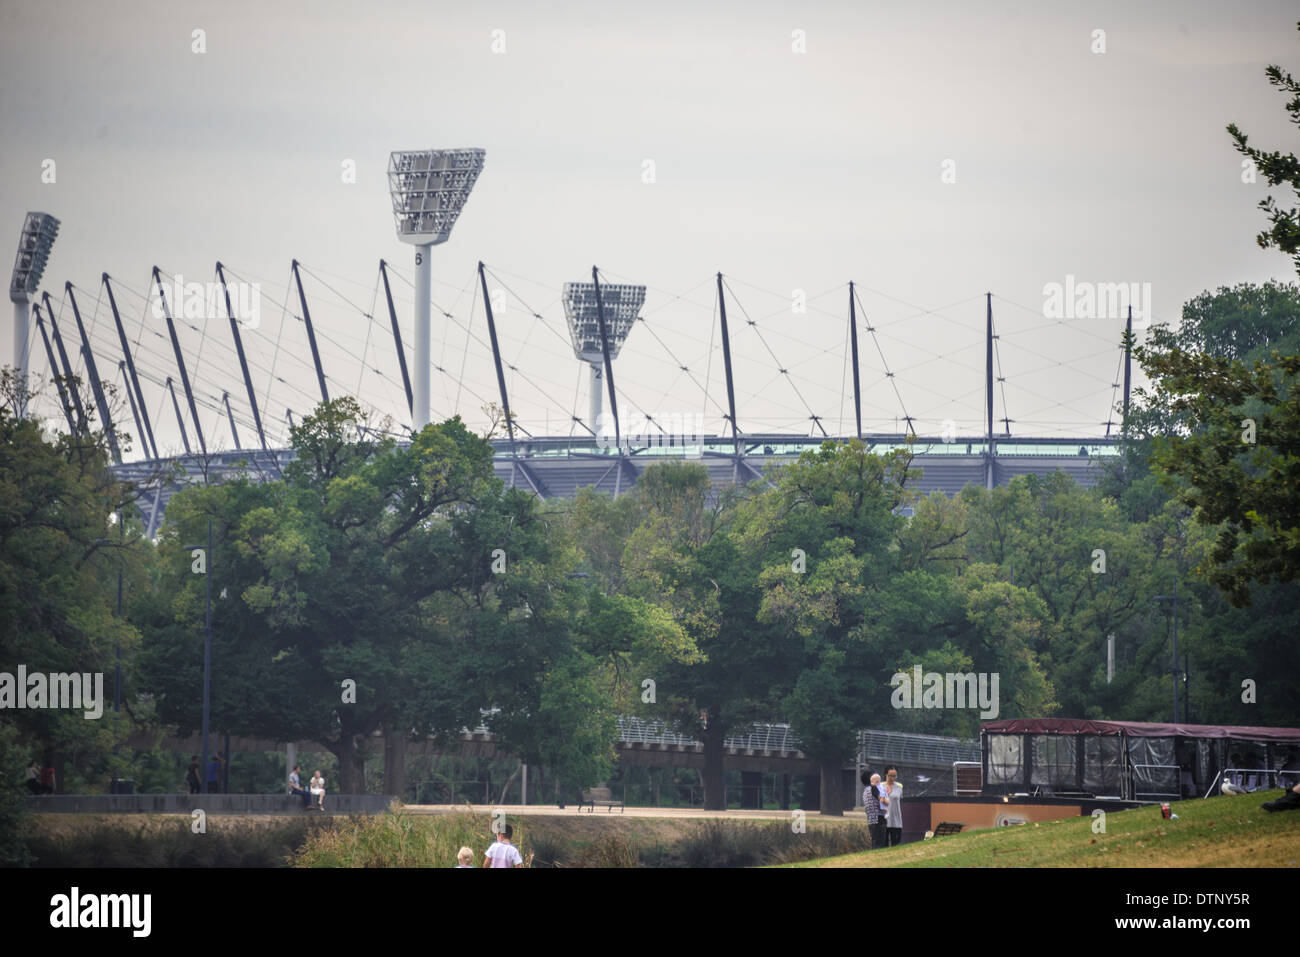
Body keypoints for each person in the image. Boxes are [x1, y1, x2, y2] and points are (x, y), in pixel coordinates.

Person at [861, 770, 885, 849]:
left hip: (871, 820)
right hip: (879, 818)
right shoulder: (874, 789)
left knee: (874, 840)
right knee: (881, 841)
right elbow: (882, 802)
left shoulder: (865, 792)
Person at [882, 765, 903, 846]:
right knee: (883, 845)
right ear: (885, 775)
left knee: (896, 844)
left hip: (896, 820)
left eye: (894, 776)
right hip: (884, 820)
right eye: (890, 775)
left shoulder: (899, 787)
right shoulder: (880, 786)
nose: (892, 778)